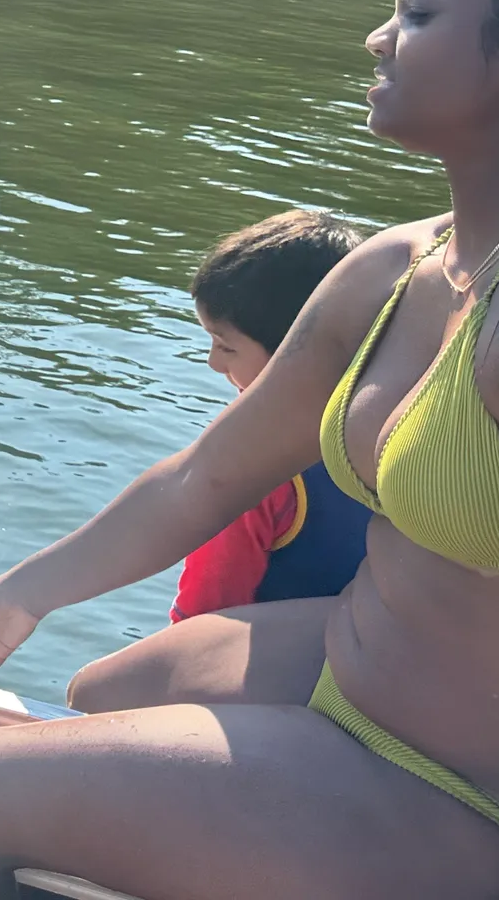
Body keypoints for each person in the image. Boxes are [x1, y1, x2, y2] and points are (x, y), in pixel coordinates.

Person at [0, 0, 499, 900]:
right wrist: (21, 594)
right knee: (99, 687)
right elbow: (206, 477)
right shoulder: (392, 271)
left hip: (470, 791)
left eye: (417, 14)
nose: (377, 41)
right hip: (347, 673)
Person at [67, 209, 369, 713]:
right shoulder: (404, 438)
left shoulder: (256, 468)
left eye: (226, 345)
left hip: (272, 693)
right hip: (382, 679)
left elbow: (202, 618)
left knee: (94, 691)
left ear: (296, 353)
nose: (213, 362)